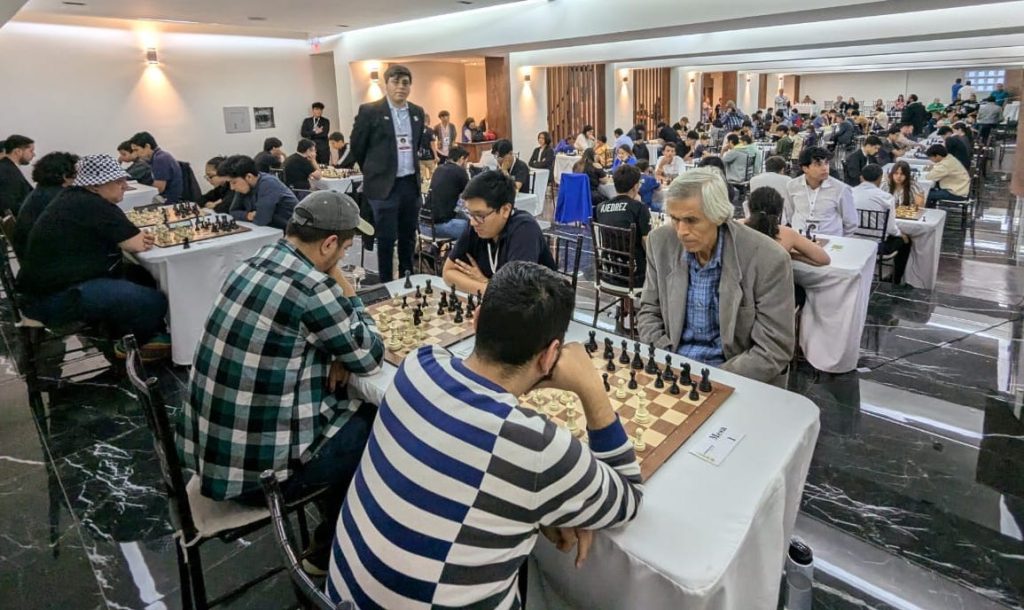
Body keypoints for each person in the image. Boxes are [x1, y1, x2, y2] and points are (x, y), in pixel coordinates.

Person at [327, 260, 643, 607]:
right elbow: (628, 498)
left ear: (476, 319)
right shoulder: (537, 448)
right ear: (551, 355)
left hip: (336, 597)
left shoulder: (419, 364)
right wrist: (591, 388)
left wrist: (534, 506)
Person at [182, 190, 382, 574]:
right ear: (328, 243)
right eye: (344, 249)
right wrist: (344, 286)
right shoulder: (313, 287)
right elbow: (370, 354)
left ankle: (334, 519)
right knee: (377, 426)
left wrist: (337, 352)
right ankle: (328, 553)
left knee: (346, 407)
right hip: (257, 480)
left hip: (211, 456)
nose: (343, 258)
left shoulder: (253, 262)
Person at [637, 168, 795, 385]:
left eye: (691, 220)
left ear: (718, 216)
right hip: (672, 365)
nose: (681, 231)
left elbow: (774, 347)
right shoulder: (660, 243)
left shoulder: (768, 259)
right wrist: (669, 360)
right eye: (675, 219)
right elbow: (648, 311)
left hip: (736, 376)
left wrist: (711, 381)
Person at [16, 154, 170, 360]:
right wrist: (137, 237)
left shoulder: (73, 197)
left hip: (46, 289)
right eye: (118, 181)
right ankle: (132, 345)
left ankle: (132, 331)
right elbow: (136, 243)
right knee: (155, 301)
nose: (125, 186)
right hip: (55, 299)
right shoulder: (92, 205)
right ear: (95, 185)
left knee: (140, 274)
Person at [342, 64, 425, 282]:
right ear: (386, 84)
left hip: (409, 183)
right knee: (386, 239)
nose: (401, 87)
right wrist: (374, 169)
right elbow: (358, 146)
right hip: (383, 186)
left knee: (408, 237)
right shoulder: (370, 111)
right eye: (395, 82)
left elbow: (415, 145)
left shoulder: (417, 112)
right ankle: (387, 284)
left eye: (405, 83)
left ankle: (408, 280)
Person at [442, 171, 555, 293]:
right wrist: (488, 287)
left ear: (505, 210)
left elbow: (515, 295)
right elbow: (448, 272)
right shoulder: (476, 224)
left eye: (480, 215)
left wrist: (487, 283)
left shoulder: (525, 229)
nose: (473, 222)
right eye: (470, 214)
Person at [745, 187, 830, 308]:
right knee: (800, 290)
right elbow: (823, 259)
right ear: (780, 211)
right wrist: (789, 254)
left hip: (742, 294)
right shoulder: (787, 234)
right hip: (772, 299)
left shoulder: (736, 226)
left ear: (749, 207)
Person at [593, 164, 651, 287]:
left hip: (608, 271)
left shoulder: (600, 208)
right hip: (634, 275)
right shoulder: (639, 208)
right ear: (636, 186)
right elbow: (647, 242)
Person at [852, 164, 911, 283]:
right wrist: (901, 234)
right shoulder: (886, 198)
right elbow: (891, 229)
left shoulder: (849, 193)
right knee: (906, 241)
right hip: (876, 245)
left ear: (861, 177)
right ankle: (896, 280)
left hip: (851, 241)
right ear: (880, 179)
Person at [13, 152, 77, 259]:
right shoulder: (59, 198)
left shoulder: (41, 192)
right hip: (47, 258)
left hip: (32, 255)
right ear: (66, 176)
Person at [786, 146, 858, 237]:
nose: (825, 168)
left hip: (830, 239)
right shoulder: (792, 186)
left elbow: (851, 222)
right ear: (805, 168)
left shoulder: (840, 189)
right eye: (818, 164)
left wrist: (840, 240)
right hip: (800, 238)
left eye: (826, 163)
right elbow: (790, 213)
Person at [221, 155, 298, 229]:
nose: (232, 188)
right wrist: (248, 215)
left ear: (249, 177)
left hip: (291, 231)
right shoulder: (244, 186)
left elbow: (261, 220)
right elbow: (233, 212)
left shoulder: (269, 183)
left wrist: (250, 216)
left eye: (234, 182)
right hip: (269, 229)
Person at [422, 147, 470, 240]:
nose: (466, 164)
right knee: (474, 227)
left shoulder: (438, 169)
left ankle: (436, 247)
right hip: (438, 228)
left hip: (423, 225)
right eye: (466, 161)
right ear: (462, 159)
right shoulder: (460, 172)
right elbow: (470, 195)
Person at [128, 131, 183, 203]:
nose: (135, 153)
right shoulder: (157, 157)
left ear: (147, 146)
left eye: (136, 150)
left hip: (169, 200)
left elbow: (158, 189)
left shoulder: (160, 159)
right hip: (166, 197)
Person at [924, 144, 970, 208]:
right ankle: (930, 207)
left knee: (924, 194)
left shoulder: (945, 165)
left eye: (930, 157)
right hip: (960, 189)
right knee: (929, 190)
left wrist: (932, 168)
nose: (930, 160)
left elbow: (929, 177)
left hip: (955, 193)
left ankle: (928, 210)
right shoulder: (949, 158)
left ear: (937, 156)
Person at [749, 156, 793, 222]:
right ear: (782, 169)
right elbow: (789, 203)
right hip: (780, 218)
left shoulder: (753, 180)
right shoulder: (788, 180)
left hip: (756, 216)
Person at [0, 134, 35, 216]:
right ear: (18, 152)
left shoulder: (8, 168)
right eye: (31, 151)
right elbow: (8, 205)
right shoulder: (7, 171)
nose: (34, 154)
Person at [417, 115, 438, 180]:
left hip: (419, 157)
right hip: (429, 157)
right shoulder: (430, 131)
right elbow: (432, 144)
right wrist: (436, 156)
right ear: (428, 120)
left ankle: (423, 186)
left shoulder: (417, 130)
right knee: (433, 176)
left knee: (422, 177)